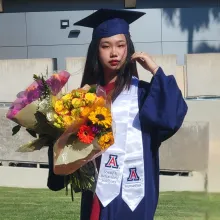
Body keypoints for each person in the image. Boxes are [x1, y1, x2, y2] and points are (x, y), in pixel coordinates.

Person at [47, 8, 188, 220]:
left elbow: (171, 117)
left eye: (121, 45)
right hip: (99, 194)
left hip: (134, 195)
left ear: (128, 48)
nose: (114, 53)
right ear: (96, 50)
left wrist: (156, 71)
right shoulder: (85, 97)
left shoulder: (142, 93)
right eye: (106, 46)